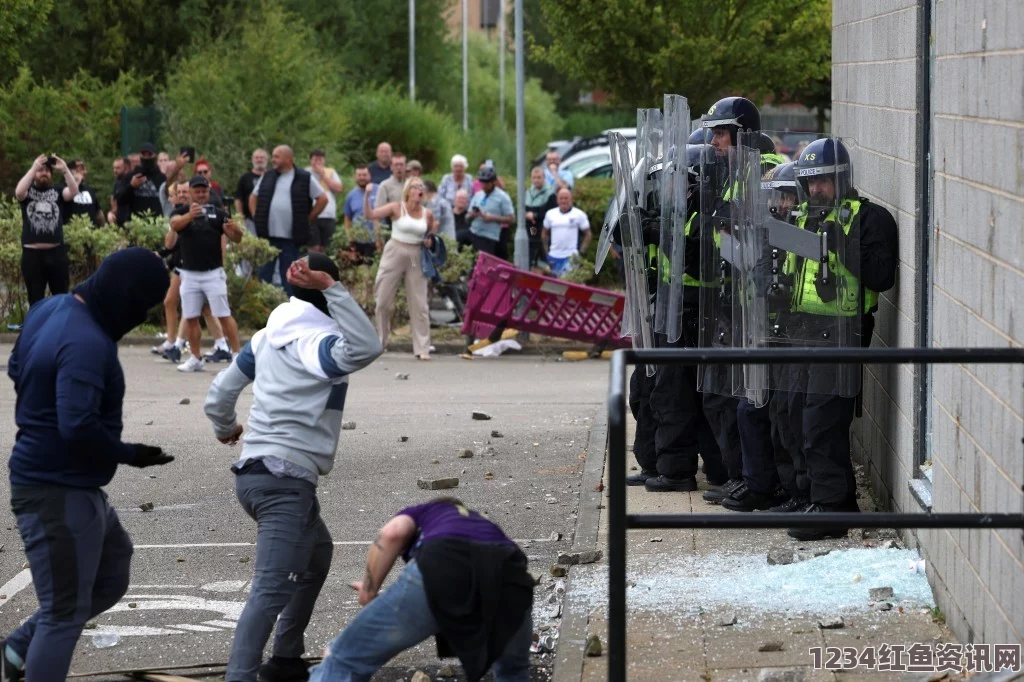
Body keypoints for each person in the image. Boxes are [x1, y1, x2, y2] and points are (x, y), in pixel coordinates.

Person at [204, 254, 382, 682]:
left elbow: (219, 393)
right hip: (283, 483)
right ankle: (241, 676)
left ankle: (285, 658)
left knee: (318, 554)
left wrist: (226, 427)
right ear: (326, 296)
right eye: (337, 294)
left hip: (257, 475)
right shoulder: (315, 342)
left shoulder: (267, 336)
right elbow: (366, 347)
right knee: (269, 590)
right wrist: (332, 287)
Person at [0, 247, 173, 681]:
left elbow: (16, 367)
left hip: (71, 484)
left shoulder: (47, 309)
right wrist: (130, 454)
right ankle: (22, 658)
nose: (141, 315)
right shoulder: (86, 342)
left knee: (112, 570)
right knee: (63, 614)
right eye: (144, 306)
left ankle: (17, 649)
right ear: (128, 297)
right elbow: (76, 425)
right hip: (55, 490)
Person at [782, 138, 897, 540]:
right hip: (803, 330)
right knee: (795, 415)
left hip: (843, 331)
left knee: (822, 421)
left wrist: (842, 246)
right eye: (810, 183)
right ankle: (825, 496)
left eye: (824, 182)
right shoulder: (804, 216)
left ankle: (830, 512)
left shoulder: (870, 218)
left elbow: (882, 277)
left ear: (842, 178)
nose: (816, 190)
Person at [308, 498, 534, 682]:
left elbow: (392, 533)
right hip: (512, 577)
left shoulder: (425, 511)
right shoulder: (483, 525)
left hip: (443, 563)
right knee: (513, 672)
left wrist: (369, 591)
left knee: (343, 660)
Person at [170, 175, 244, 372]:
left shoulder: (219, 213)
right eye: (197, 191)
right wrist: (189, 216)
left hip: (213, 273)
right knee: (191, 316)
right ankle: (195, 357)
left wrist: (234, 230)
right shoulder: (182, 211)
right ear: (192, 192)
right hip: (189, 274)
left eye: (204, 191)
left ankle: (237, 356)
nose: (201, 194)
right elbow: (174, 226)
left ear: (208, 191)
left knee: (223, 314)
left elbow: (237, 238)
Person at [151, 182, 231, 365]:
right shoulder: (180, 213)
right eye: (178, 192)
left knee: (197, 308)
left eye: (185, 192)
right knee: (181, 304)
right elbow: (172, 243)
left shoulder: (209, 210)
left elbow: (220, 238)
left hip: (200, 266)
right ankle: (179, 343)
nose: (182, 195)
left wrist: (221, 263)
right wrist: (164, 250)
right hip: (183, 264)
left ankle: (178, 345)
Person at [364, 178, 436, 361]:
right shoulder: (396, 207)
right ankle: (380, 342)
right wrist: (367, 195)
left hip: (416, 254)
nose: (419, 189)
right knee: (382, 299)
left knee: (419, 303)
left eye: (422, 186)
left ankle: (422, 348)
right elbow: (370, 214)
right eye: (416, 186)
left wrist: (430, 241)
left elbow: (431, 234)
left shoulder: (427, 213)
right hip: (395, 250)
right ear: (408, 190)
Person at [250, 145, 328, 296]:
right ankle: (262, 309)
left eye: (277, 156)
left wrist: (308, 218)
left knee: (290, 278)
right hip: (267, 236)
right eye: (273, 156)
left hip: (291, 238)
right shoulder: (268, 175)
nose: (273, 160)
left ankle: (290, 309)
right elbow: (253, 196)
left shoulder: (304, 177)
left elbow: (323, 199)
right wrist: (256, 216)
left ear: (289, 159)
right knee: (263, 275)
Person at [14, 154, 77, 305]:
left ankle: (61, 328)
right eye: (40, 170)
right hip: (32, 255)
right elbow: (18, 193)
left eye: (47, 171)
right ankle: (37, 328)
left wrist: (65, 169)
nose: (44, 172)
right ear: (34, 174)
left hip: (56, 253)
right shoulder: (27, 192)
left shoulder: (58, 191)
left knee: (61, 299)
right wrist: (34, 166)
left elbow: (74, 191)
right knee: (35, 300)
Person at [542, 188, 591, 278]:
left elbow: (588, 234)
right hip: (554, 255)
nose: (564, 201)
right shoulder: (550, 214)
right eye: (561, 198)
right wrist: (546, 253)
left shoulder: (579, 214)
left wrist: (581, 252)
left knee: (567, 282)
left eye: (566, 198)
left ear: (571, 199)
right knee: (554, 285)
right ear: (557, 200)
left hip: (571, 256)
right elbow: (544, 234)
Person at [113, 142, 166, 224]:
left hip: (157, 225)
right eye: (144, 154)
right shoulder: (131, 177)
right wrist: (131, 186)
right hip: (136, 225)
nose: (146, 157)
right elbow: (120, 200)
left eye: (149, 154)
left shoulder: (161, 178)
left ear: (155, 156)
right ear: (140, 156)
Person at [468, 166, 514, 256]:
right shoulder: (478, 195)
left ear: (493, 182)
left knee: (481, 260)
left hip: (488, 236)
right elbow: (467, 216)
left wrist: (492, 218)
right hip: (473, 231)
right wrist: (472, 215)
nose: (484, 185)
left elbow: (511, 219)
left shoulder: (503, 197)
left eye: (486, 183)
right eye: (482, 182)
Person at [306, 149, 344, 253]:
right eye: (315, 159)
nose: (318, 162)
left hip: (329, 215)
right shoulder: (306, 172)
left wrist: (323, 174)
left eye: (320, 159)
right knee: (314, 247)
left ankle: (324, 268)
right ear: (310, 160)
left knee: (326, 248)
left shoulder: (330, 172)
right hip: (312, 215)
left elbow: (339, 188)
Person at [525, 167, 555, 270]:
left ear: (544, 178)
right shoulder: (528, 192)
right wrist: (526, 214)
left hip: (544, 229)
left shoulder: (550, 193)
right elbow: (523, 209)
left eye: (539, 177)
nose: (536, 180)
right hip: (531, 229)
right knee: (531, 252)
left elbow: (550, 212)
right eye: (534, 178)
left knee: (543, 254)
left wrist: (535, 215)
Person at [235, 149, 269, 235]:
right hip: (250, 220)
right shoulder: (245, 178)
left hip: (269, 221)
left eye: (262, 157)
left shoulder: (272, 177)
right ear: (252, 160)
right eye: (256, 157)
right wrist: (241, 218)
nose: (259, 160)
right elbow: (238, 199)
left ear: (267, 160)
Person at [64, 160, 105, 227]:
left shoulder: (89, 189)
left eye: (85, 169)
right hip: (71, 232)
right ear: (71, 170)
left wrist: (104, 229)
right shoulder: (62, 188)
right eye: (81, 168)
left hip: (90, 233)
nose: (85, 172)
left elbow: (98, 212)